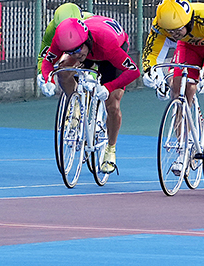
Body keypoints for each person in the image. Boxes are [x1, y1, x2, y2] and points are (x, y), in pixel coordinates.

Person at [140, 0, 204, 165]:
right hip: (189, 46)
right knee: (178, 91)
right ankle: (183, 147)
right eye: (170, 32)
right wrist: (150, 72)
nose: (173, 35)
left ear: (188, 22)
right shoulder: (161, 23)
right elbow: (152, 53)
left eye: (177, 31)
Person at [40, 16, 139, 174]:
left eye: (78, 50)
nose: (75, 54)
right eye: (70, 51)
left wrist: (109, 87)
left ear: (87, 40)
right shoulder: (64, 41)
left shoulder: (108, 45)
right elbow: (47, 62)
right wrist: (47, 80)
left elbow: (134, 71)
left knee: (112, 103)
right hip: (90, 49)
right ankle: (76, 106)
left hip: (109, 54)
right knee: (63, 70)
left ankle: (111, 149)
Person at [36, 3, 92, 86]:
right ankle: (71, 96)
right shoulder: (52, 30)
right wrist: (44, 77)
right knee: (63, 67)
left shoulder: (91, 23)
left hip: (89, 48)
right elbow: (44, 57)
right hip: (68, 51)